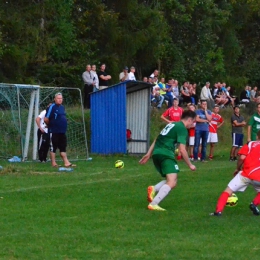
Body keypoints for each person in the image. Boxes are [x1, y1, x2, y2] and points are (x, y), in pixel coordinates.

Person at [139, 110, 197, 211]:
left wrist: (149, 154)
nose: (193, 124)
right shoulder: (182, 128)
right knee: (171, 181)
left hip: (157, 153)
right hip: (166, 154)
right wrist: (190, 164)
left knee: (172, 180)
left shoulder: (172, 124)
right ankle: (154, 203)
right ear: (189, 120)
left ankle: (154, 188)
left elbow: (157, 139)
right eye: (193, 122)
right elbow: (182, 149)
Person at [210, 130, 260, 216]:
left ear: (257, 136)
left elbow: (242, 158)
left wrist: (237, 168)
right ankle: (254, 204)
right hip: (258, 177)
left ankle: (218, 211)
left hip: (245, 174)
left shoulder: (250, 144)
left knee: (228, 191)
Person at [44, 93, 76, 168]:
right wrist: (50, 125)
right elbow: (46, 119)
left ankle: (66, 162)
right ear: (55, 99)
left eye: (61, 98)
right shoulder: (52, 107)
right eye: (58, 98)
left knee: (63, 146)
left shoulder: (62, 107)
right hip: (54, 131)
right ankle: (53, 163)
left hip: (62, 131)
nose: (60, 100)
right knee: (53, 147)